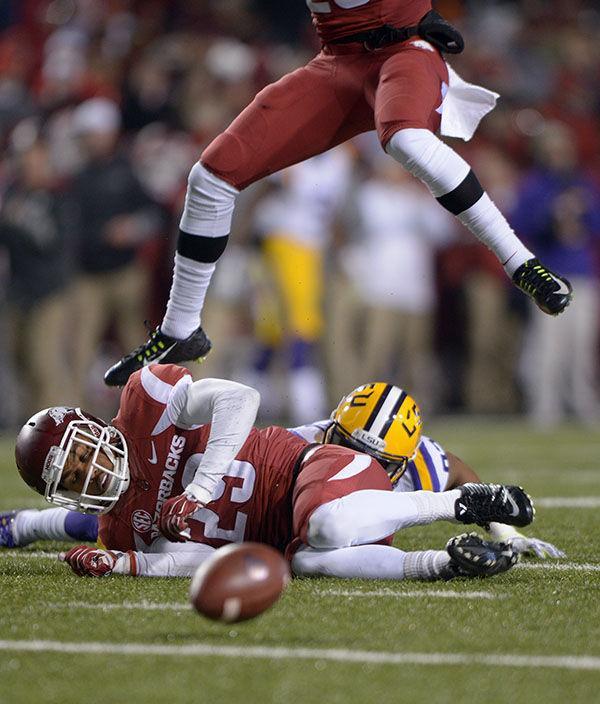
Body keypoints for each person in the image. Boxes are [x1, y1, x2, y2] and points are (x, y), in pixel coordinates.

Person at [103, 4, 573, 389]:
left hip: (405, 50)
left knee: (407, 139)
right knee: (209, 178)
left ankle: (520, 263)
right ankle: (179, 328)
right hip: (339, 63)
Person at [5, 365, 539, 580]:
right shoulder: (116, 527)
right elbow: (193, 559)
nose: (88, 473)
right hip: (284, 535)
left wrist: (200, 486)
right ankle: (444, 565)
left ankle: (462, 507)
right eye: (69, 478)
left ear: (93, 429)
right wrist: (128, 566)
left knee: (326, 527)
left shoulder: (148, 400)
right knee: (308, 562)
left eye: (79, 454)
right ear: (63, 493)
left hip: (308, 473)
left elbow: (240, 398)